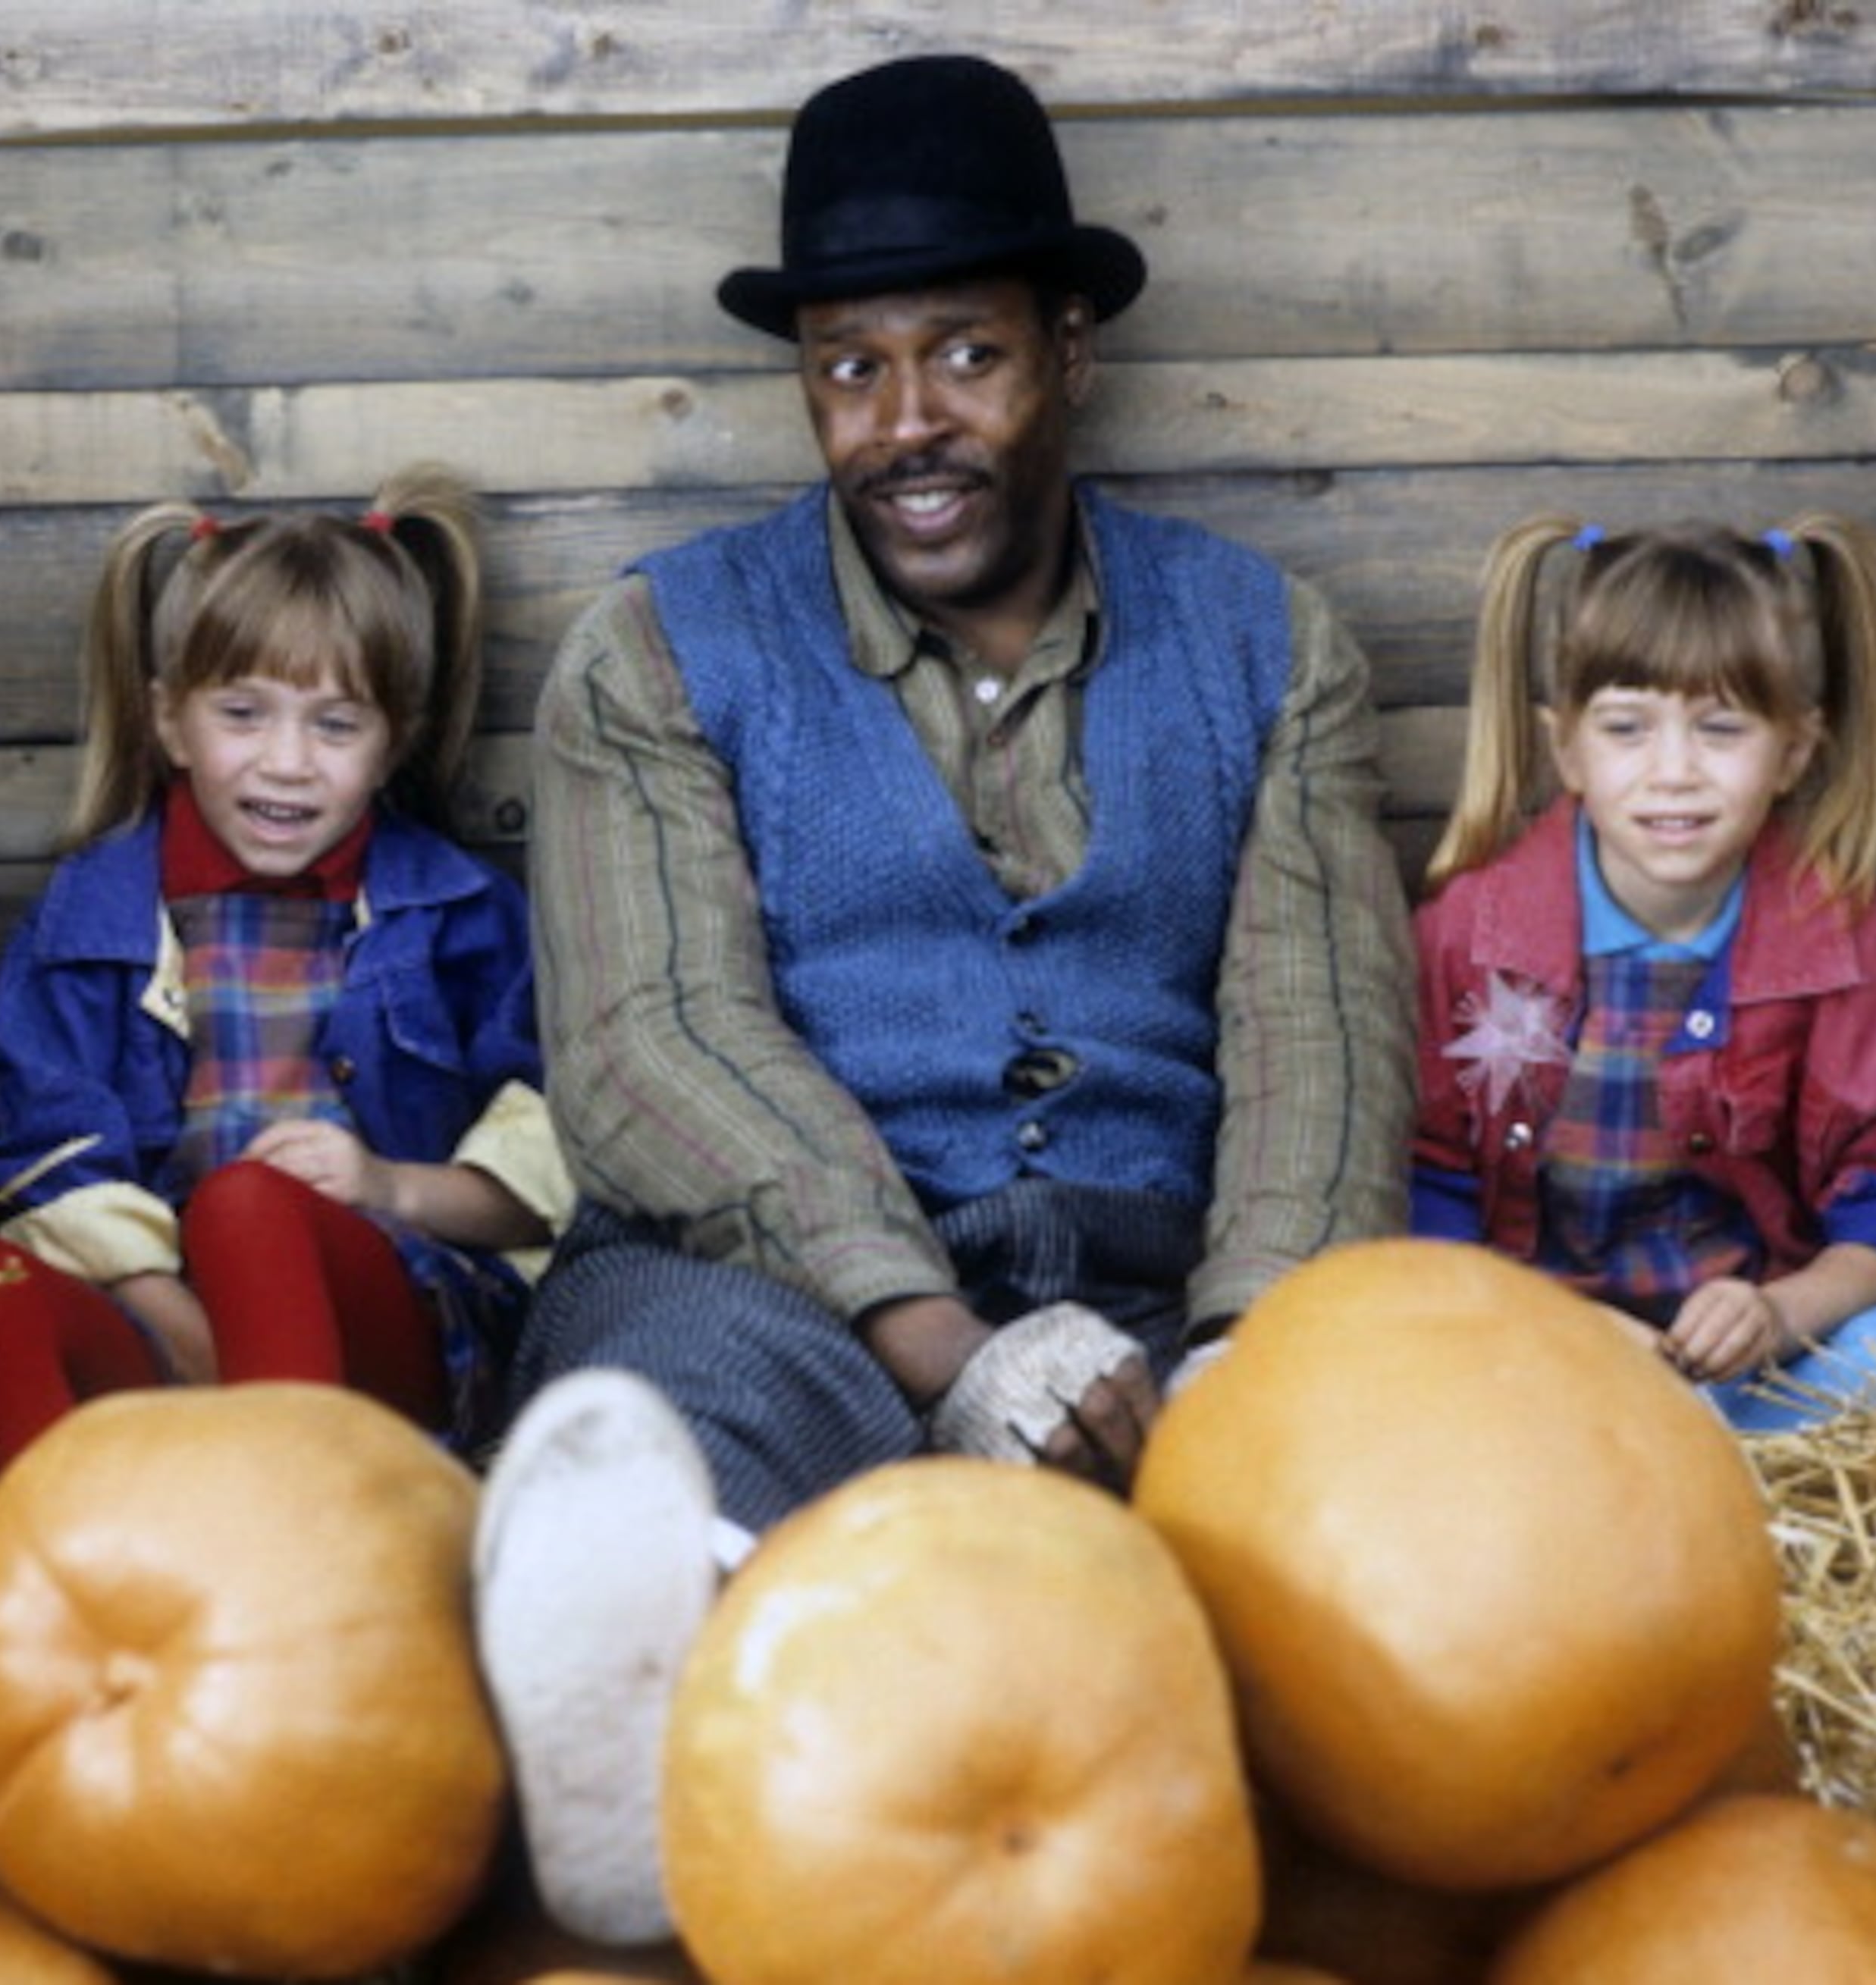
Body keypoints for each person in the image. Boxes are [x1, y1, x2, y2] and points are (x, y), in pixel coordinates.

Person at [474, 52, 1415, 1946]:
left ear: (1069, 350)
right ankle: (656, 1740)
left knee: (1316, 1592)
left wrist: (1239, 1362)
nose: (906, 422)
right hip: (768, 1286)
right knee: (674, 1416)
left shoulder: (1266, 644)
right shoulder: (658, 653)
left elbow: (1318, 1034)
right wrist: (936, 1340)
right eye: (850, 369)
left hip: (1144, 1291)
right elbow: (656, 1042)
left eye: (965, 356)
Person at [0, 465, 573, 1488]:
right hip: (167, 1317)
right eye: (243, 712)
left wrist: (392, 1184)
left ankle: (296, 1525)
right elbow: (42, 1160)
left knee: (247, 1205)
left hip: (385, 1331)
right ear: (169, 721)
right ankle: (52, 1557)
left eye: (336, 724)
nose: (287, 761)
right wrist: (176, 1322)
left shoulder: (457, 915)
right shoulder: (89, 923)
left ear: (393, 743)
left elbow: (550, 1164)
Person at [1409, 513, 1876, 1432]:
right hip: (1533, 1357)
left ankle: (1716, 1454)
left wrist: (1780, 1312)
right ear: (1567, 748)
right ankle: (1642, 1455)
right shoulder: (1471, 934)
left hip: (1751, 1370)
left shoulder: (1852, 936)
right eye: (1627, 728)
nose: (1674, 772)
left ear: (1793, 752)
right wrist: (1554, 1327)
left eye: (1721, 729)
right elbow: (1422, 1186)